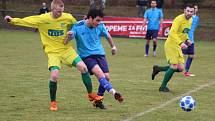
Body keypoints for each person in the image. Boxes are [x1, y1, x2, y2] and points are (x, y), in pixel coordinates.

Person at [4, 0, 102, 111]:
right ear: (52, 9)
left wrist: (80, 26)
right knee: (54, 76)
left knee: (83, 68)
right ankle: (53, 102)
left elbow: (75, 26)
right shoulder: (43, 19)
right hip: (52, 52)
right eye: (58, 11)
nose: (60, 13)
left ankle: (90, 94)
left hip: (66, 50)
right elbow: (26, 21)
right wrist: (11, 20)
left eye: (62, 11)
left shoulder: (67, 17)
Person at [64, 8, 124, 109]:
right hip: (87, 56)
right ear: (90, 18)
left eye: (100, 20)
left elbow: (108, 36)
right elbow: (69, 39)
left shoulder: (100, 25)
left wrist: (113, 47)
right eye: (97, 20)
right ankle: (114, 92)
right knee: (101, 75)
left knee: (107, 77)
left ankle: (98, 101)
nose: (99, 23)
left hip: (100, 54)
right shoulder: (78, 26)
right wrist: (69, 36)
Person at [151, 4, 194, 92]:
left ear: (194, 12)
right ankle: (162, 87)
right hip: (171, 44)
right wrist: (181, 43)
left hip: (178, 45)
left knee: (181, 68)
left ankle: (158, 69)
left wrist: (187, 39)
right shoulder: (178, 19)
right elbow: (172, 33)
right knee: (174, 66)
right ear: (184, 11)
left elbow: (184, 32)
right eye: (188, 11)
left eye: (191, 11)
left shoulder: (190, 20)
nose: (189, 13)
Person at [183, 4, 199, 77]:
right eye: (194, 8)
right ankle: (171, 68)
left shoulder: (196, 18)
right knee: (180, 55)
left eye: (195, 8)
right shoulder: (185, 17)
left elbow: (194, 27)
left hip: (191, 39)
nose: (195, 9)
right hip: (184, 38)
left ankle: (186, 71)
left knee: (191, 55)